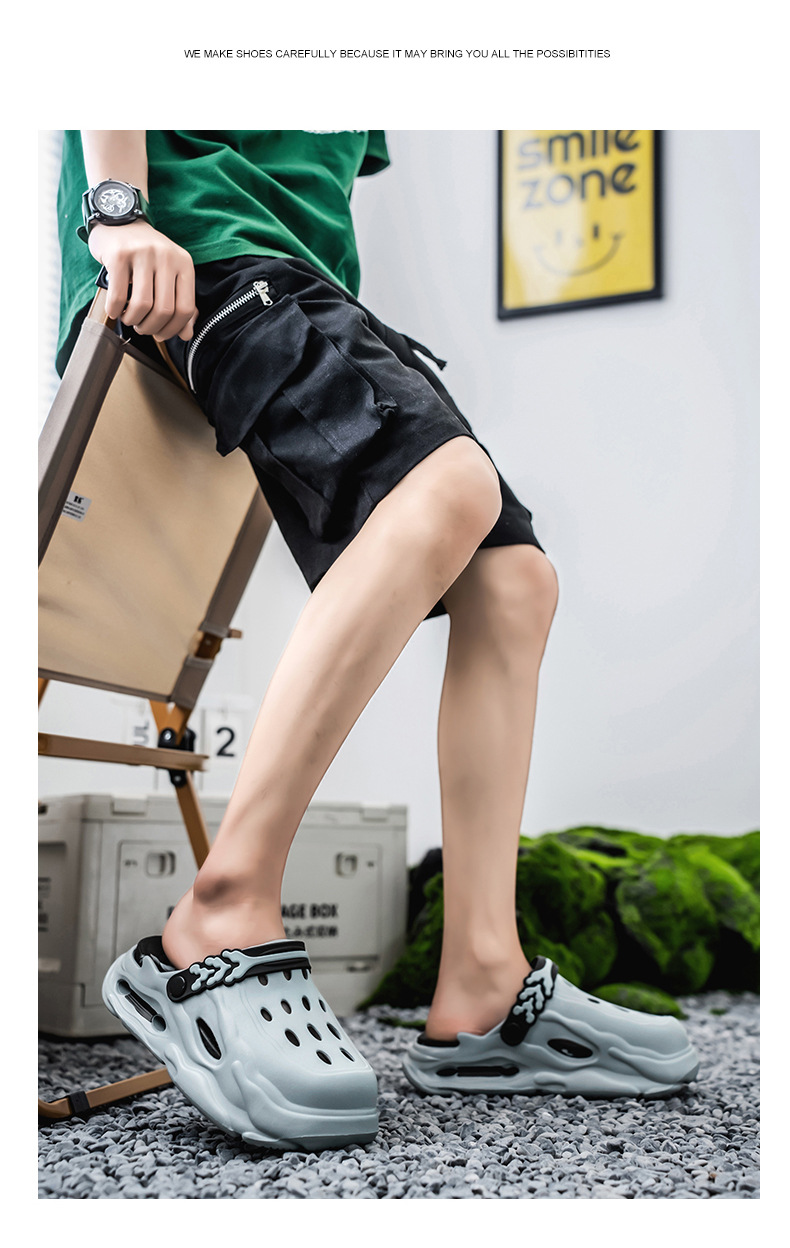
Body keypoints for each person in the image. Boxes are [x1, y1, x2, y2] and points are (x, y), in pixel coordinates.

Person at [56, 130, 699, 1150]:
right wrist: (117, 212)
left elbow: (319, 180)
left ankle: (482, 982)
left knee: (513, 581)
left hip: (307, 288)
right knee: (448, 487)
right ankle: (219, 909)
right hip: (201, 253)